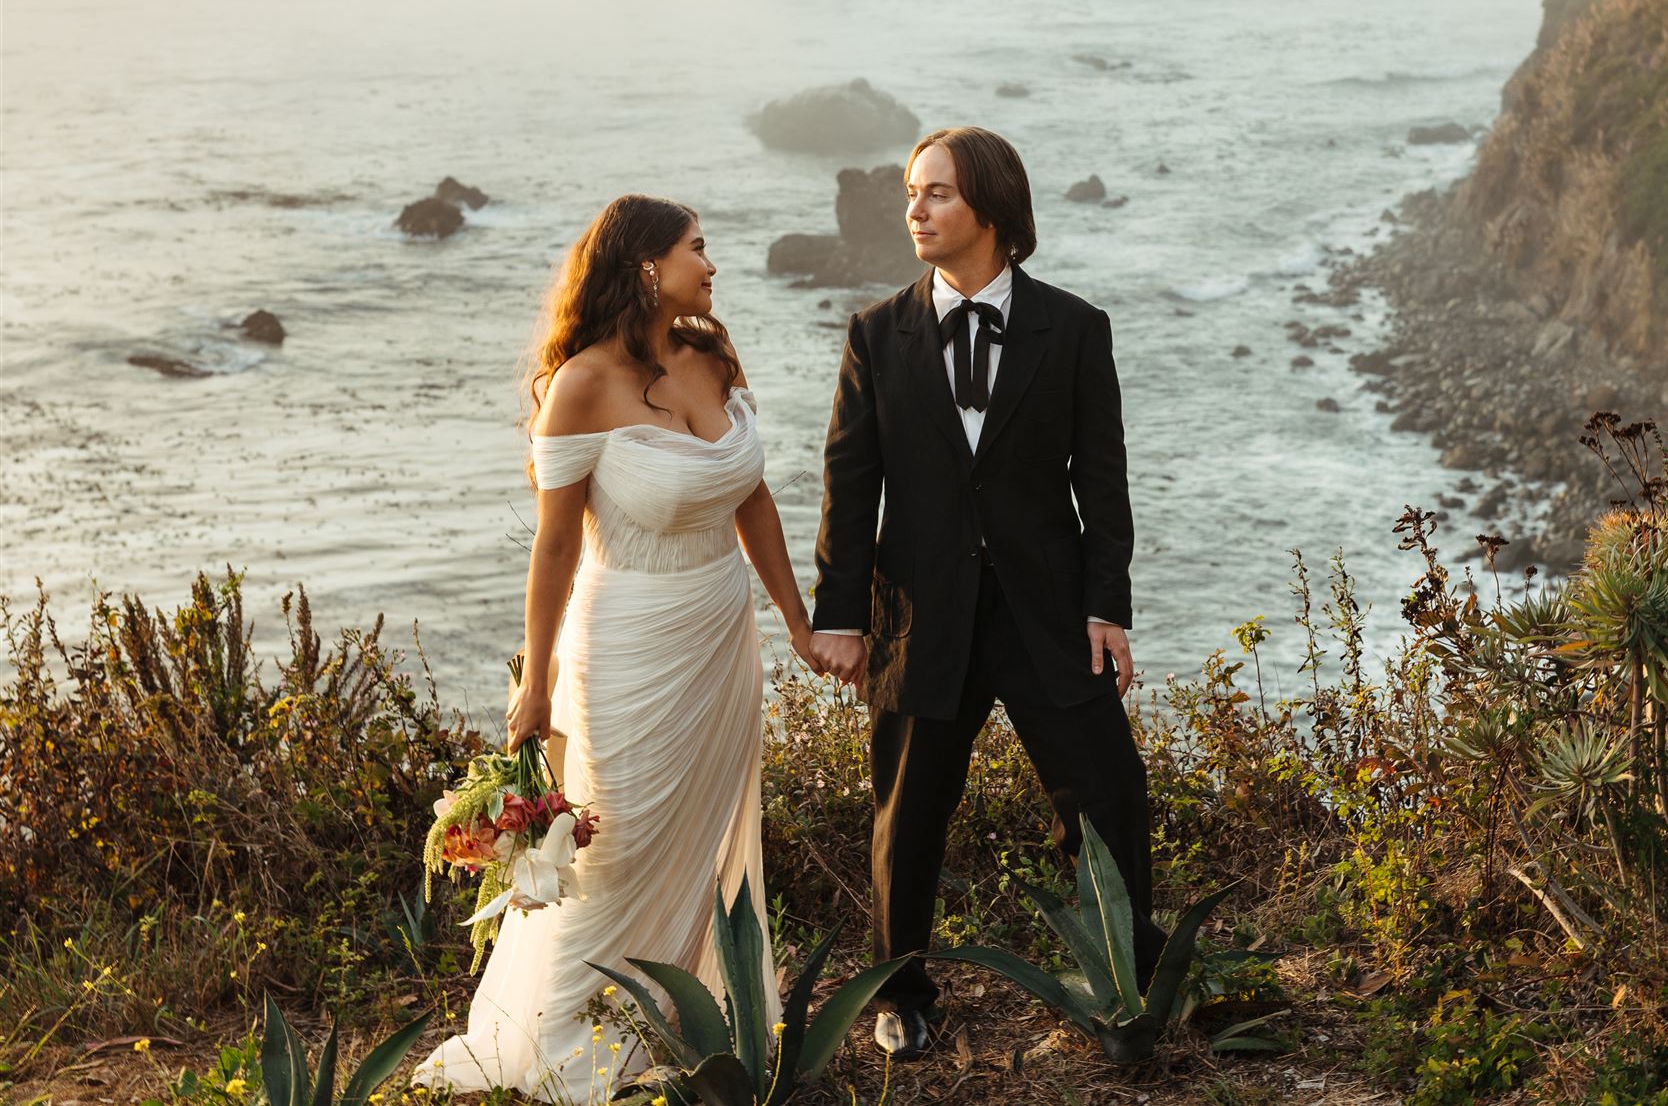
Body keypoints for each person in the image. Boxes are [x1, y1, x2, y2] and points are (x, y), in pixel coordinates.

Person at [416, 194, 815, 1102]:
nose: (711, 267)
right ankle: (568, 1034)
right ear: (646, 267)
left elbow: (752, 499)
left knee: (706, 835)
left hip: (721, 637)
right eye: (696, 250)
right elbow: (554, 546)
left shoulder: (710, 351)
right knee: (620, 845)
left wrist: (795, 619)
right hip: (630, 643)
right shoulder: (582, 384)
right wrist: (538, 681)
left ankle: (688, 1025)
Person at [808, 126, 1166, 1059]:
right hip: (921, 617)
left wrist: (1106, 606)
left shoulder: (1076, 329)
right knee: (909, 807)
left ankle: (1122, 974)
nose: (914, 210)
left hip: (1046, 612)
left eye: (936, 194)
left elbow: (1105, 481)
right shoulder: (875, 334)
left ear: (993, 210)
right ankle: (900, 991)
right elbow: (849, 485)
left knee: (1108, 793)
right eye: (912, 194)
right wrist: (840, 615)